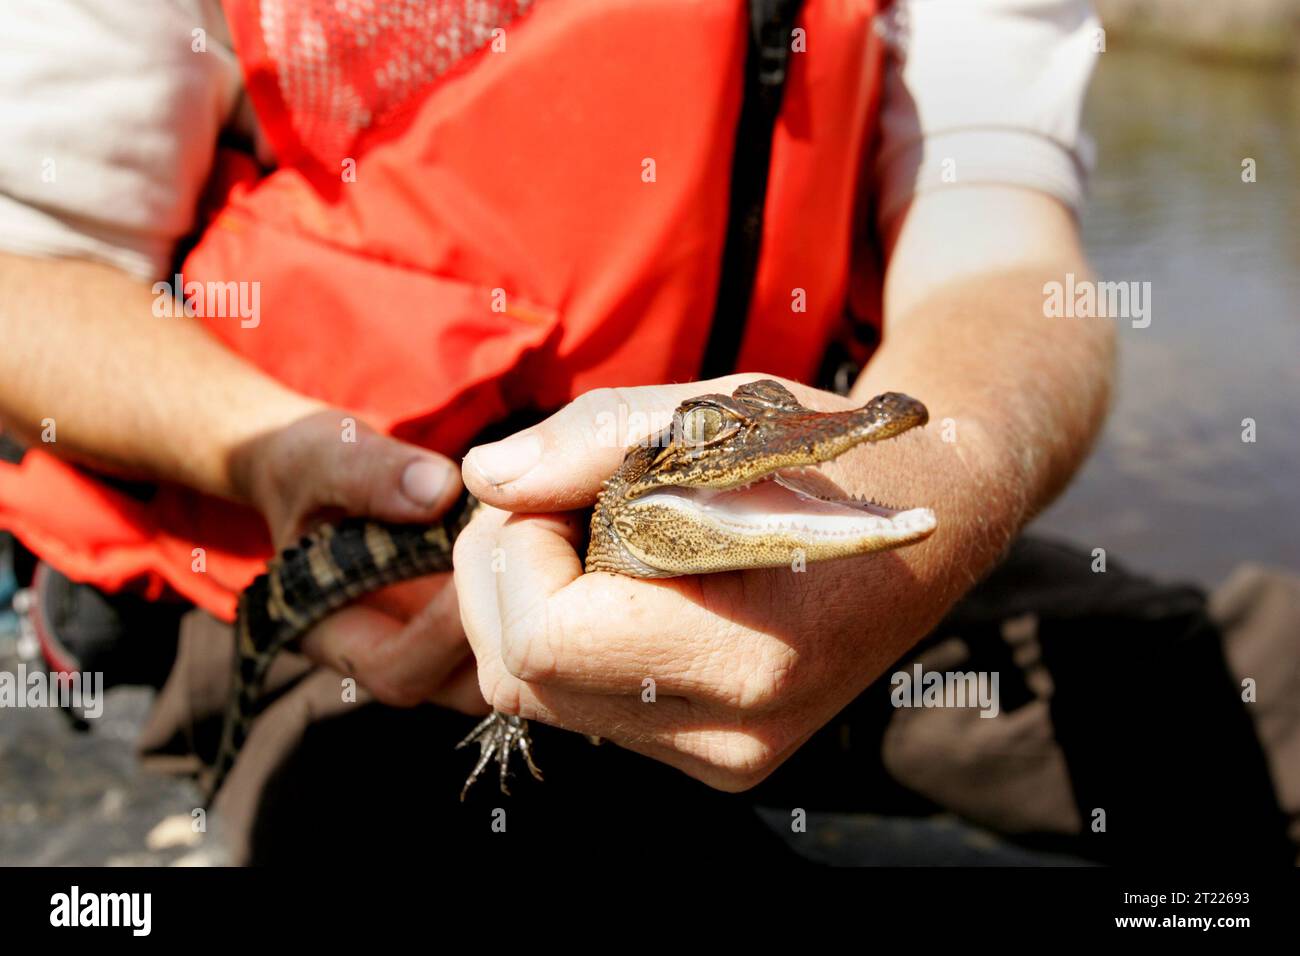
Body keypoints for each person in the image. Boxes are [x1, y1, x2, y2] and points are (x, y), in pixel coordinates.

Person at [6, 0, 1251, 864]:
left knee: (1249, 695)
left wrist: (953, 467)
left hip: (728, 527)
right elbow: (25, 270)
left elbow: (1008, 254)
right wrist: (275, 448)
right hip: (323, 574)